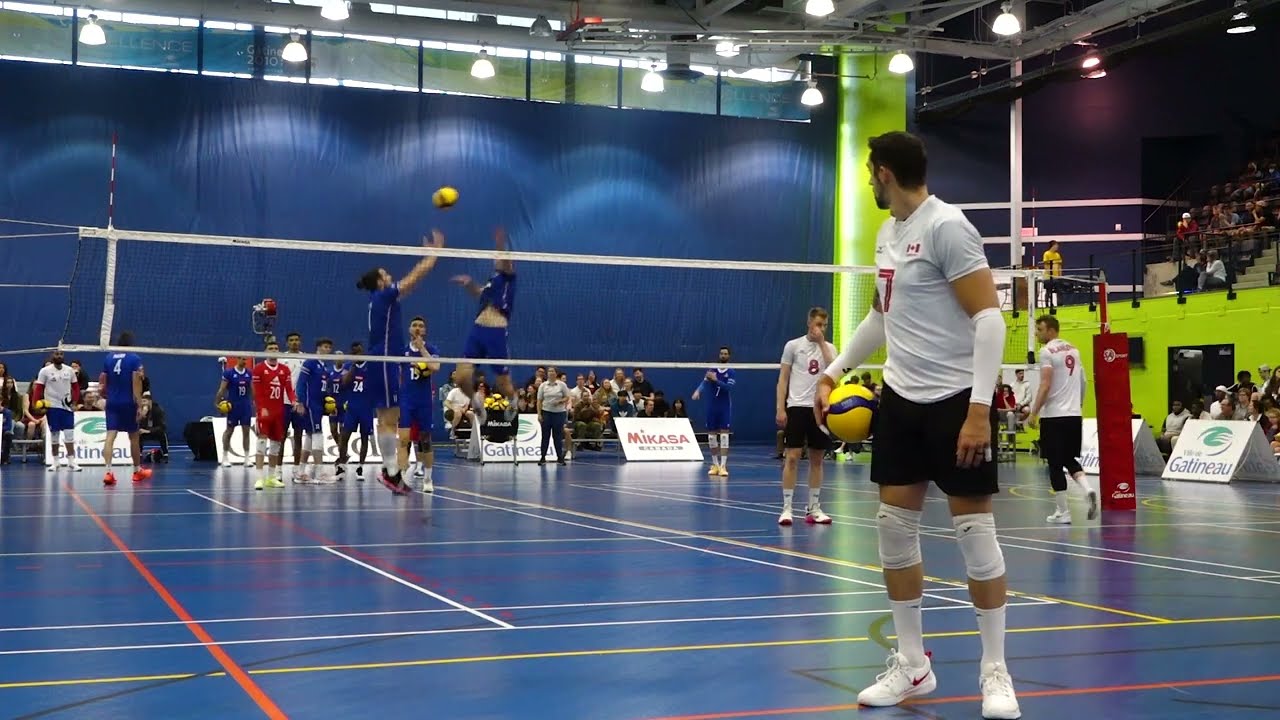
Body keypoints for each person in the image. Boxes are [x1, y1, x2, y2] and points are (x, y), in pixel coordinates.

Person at [815, 131, 1020, 718]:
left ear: (882, 172)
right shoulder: (887, 234)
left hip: (957, 401)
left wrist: (980, 410)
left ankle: (995, 673)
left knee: (976, 538)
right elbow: (882, 319)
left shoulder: (947, 226)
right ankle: (912, 666)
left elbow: (989, 320)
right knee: (892, 529)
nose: (867, 181)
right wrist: (832, 371)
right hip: (901, 401)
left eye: (867, 172)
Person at [356, 230, 444, 495]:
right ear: (381, 282)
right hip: (384, 359)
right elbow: (413, 278)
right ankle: (391, 471)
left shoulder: (382, 299)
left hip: (384, 360)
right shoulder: (383, 296)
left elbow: (411, 286)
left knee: (387, 416)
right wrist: (434, 254)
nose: (389, 275)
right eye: (385, 274)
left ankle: (391, 471)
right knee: (389, 417)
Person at [1027, 315, 1097, 523]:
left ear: (1050, 330)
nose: (1037, 334)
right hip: (1074, 415)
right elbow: (1084, 380)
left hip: (1054, 417)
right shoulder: (1074, 349)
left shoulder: (1046, 352)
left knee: (1055, 464)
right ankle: (1088, 489)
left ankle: (1063, 512)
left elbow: (1045, 384)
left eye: (1039, 330)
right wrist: (1079, 404)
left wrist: (1034, 411)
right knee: (1069, 459)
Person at [777, 307, 837, 526]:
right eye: (818, 324)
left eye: (825, 325)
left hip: (819, 409)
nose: (821, 329)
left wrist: (821, 343)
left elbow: (834, 370)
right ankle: (786, 508)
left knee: (817, 460)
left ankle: (814, 508)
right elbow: (783, 379)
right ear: (809, 323)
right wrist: (780, 408)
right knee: (792, 457)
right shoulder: (793, 346)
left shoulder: (830, 348)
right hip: (797, 407)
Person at [453, 227, 515, 399]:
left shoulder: (509, 277)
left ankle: (514, 400)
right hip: (477, 330)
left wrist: (500, 245)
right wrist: (469, 283)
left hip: (496, 331)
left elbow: (506, 261)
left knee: (503, 385)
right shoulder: (492, 281)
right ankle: (475, 402)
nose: (496, 259)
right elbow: (478, 293)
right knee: (460, 377)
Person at [99, 332, 149, 485]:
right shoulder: (134, 358)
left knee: (110, 436)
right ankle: (136, 471)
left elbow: (102, 381)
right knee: (134, 437)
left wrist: (106, 395)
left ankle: (108, 472)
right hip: (128, 402)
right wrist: (139, 404)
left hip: (112, 402)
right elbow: (136, 382)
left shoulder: (108, 358)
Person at [399, 317, 441, 492]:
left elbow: (436, 367)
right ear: (409, 329)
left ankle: (428, 479)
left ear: (425, 331)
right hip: (406, 400)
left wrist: (421, 347)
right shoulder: (402, 352)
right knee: (403, 439)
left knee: (425, 439)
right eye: (414, 325)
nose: (417, 328)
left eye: (421, 326)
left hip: (424, 400)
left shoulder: (431, 349)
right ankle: (400, 478)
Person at [251, 340, 296, 490]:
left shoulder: (284, 369)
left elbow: (289, 390)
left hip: (279, 411)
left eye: (276, 348)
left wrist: (295, 402)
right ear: (266, 351)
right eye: (271, 348)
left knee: (276, 445)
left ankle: (271, 477)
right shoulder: (258, 368)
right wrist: (261, 407)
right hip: (264, 411)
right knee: (261, 444)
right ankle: (259, 478)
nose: (274, 350)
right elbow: (256, 392)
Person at [295, 337, 335, 484]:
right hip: (310, 404)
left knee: (310, 438)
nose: (327, 349)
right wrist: (300, 402)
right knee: (318, 436)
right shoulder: (310, 363)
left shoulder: (324, 367)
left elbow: (324, 390)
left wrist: (328, 405)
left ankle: (300, 472)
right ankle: (319, 473)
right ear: (318, 347)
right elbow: (301, 383)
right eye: (324, 346)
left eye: (329, 347)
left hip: (319, 405)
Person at [33, 349, 81, 471]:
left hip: (67, 407)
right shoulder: (45, 371)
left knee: (69, 435)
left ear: (63, 356)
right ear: (52, 356)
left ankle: (71, 461)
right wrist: (35, 404)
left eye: (61, 354)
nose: (59, 356)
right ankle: (56, 462)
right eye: (56, 354)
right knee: (54, 435)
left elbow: (75, 388)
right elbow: (38, 388)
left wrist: (75, 402)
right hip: (52, 406)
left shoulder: (69, 370)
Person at [693, 345, 736, 476]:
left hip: (724, 407)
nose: (723, 355)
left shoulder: (732, 371)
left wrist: (716, 380)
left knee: (724, 436)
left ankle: (723, 466)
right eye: (721, 353)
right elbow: (704, 383)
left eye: (725, 354)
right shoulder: (712, 370)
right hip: (712, 406)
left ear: (729, 356)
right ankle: (715, 465)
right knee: (711, 437)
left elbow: (728, 388)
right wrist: (698, 391)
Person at [339, 355, 375, 479]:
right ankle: (341, 466)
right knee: (344, 437)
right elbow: (344, 382)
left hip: (366, 408)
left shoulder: (371, 366)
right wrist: (353, 367)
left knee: (364, 438)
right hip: (352, 408)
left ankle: (360, 467)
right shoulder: (348, 365)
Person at [215, 356, 255, 467]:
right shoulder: (229, 373)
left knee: (246, 431)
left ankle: (247, 458)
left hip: (245, 406)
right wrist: (217, 402)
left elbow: (252, 389)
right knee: (229, 431)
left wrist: (253, 402)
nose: (244, 361)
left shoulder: (249, 373)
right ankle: (225, 457)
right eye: (242, 359)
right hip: (233, 406)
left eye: (245, 359)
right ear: (237, 359)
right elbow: (222, 389)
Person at [536, 365, 571, 466]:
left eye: (553, 371)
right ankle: (542, 457)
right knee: (545, 436)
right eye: (549, 371)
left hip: (559, 414)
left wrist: (560, 401)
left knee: (557, 436)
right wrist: (539, 414)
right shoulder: (543, 385)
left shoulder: (562, 385)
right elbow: (539, 401)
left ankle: (560, 458)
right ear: (547, 374)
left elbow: (567, 397)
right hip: (546, 413)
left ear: (556, 374)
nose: (551, 373)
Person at [281, 331, 306, 468]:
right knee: (281, 437)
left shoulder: (306, 359)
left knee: (298, 437)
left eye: (296, 340)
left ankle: (297, 469)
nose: (294, 342)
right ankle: (278, 471)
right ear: (287, 343)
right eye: (291, 340)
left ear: (300, 342)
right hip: (284, 403)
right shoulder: (280, 359)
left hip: (300, 404)